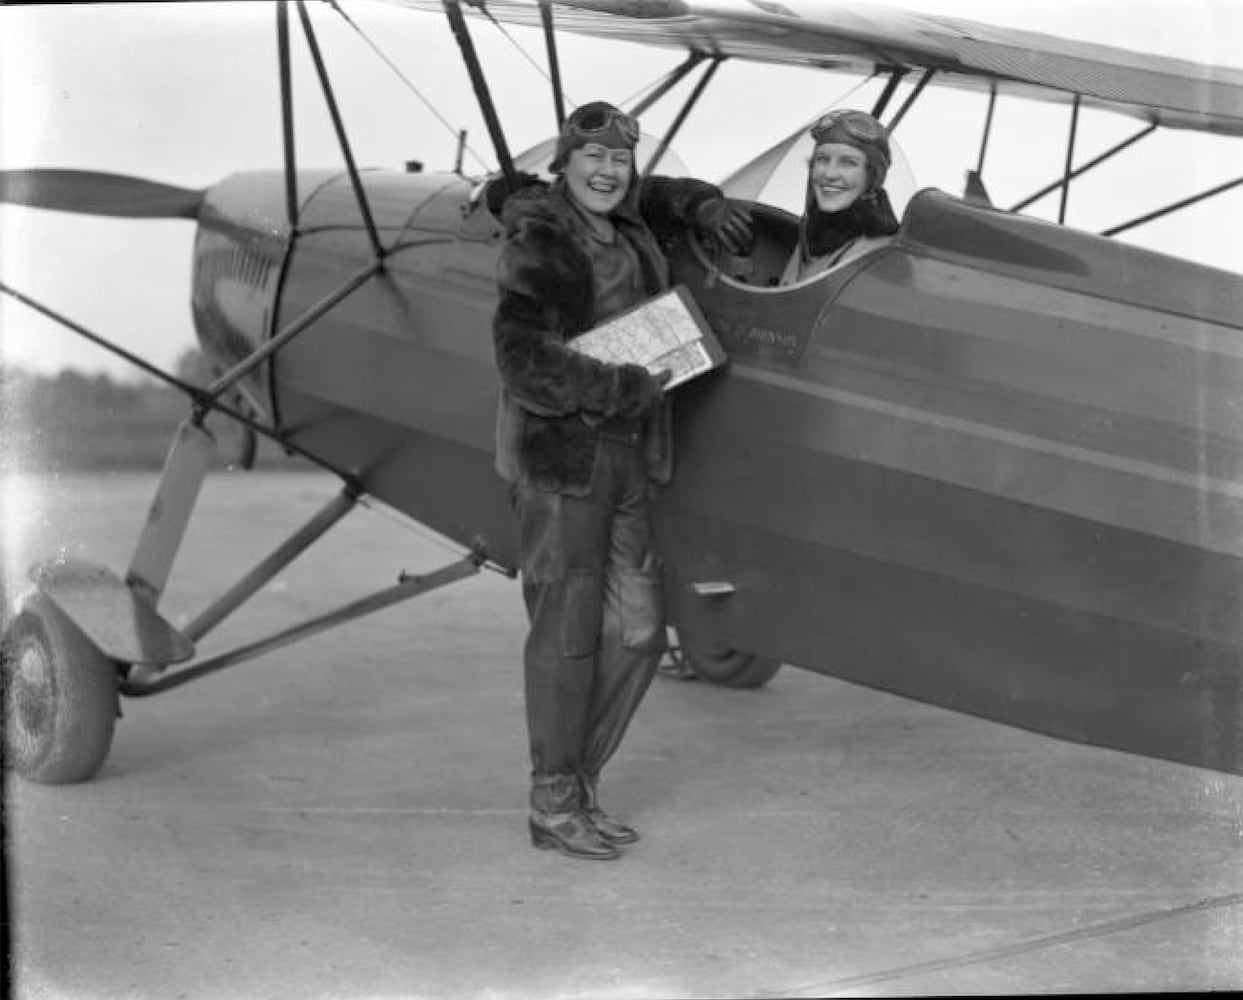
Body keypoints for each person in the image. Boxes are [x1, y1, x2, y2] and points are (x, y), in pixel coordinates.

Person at [491, 101, 751, 861]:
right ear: (562, 162)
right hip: (562, 460)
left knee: (638, 631)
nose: (607, 172)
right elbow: (522, 361)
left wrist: (701, 202)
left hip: (630, 454)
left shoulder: (625, 218)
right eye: (592, 157)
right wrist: (627, 387)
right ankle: (553, 799)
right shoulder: (539, 235)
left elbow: (660, 194)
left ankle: (580, 783)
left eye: (619, 160)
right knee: (567, 636)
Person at [779, 109, 901, 285]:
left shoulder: (878, 255)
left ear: (872, 176)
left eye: (848, 162)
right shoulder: (814, 232)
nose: (830, 173)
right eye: (822, 159)